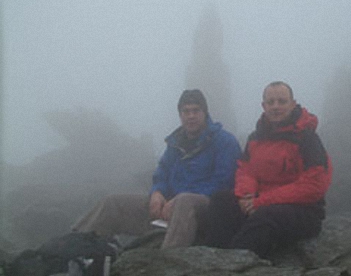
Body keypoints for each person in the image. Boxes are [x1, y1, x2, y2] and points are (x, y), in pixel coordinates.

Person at [73, 89, 242, 249]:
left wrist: (179, 199)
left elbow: (224, 182)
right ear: (180, 115)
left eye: (196, 110)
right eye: (185, 111)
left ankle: (167, 260)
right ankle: (72, 248)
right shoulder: (175, 143)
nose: (191, 116)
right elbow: (162, 172)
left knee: (184, 201)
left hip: (204, 208)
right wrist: (157, 192)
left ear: (205, 113)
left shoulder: (224, 141)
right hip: (169, 207)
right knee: (113, 203)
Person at [201, 81, 332, 258]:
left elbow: (314, 184)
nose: (276, 107)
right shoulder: (256, 138)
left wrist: (263, 201)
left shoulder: (307, 139)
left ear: (293, 104)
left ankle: (235, 266)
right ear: (264, 106)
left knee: (265, 216)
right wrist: (247, 195)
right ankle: (212, 258)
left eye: (282, 101)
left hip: (303, 211)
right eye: (271, 102)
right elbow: (246, 169)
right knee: (221, 201)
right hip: (260, 202)